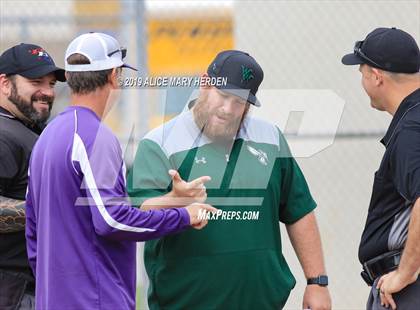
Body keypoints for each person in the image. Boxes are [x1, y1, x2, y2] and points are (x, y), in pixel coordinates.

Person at [127, 50, 331, 309]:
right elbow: (135, 216)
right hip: (186, 303)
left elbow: (299, 211)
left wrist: (317, 282)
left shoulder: (270, 138)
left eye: (239, 101)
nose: (228, 109)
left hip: (263, 303)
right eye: (223, 96)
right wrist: (173, 200)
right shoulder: (160, 143)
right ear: (204, 83)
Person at [25, 32, 215, 309]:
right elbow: (112, 221)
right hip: (96, 300)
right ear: (114, 76)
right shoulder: (95, 136)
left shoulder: (47, 135)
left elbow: (33, 229)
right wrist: (183, 216)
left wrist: (173, 200)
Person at [342, 27, 420, 310]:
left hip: (409, 289)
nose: (362, 81)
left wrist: (405, 273)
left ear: (376, 77)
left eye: (362, 72)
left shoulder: (412, 128)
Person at [0, 43, 65, 309]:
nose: (47, 92)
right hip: (12, 292)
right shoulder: (4, 135)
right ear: (4, 83)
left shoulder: (25, 128)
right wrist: (57, 211)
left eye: (51, 84)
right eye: (36, 81)